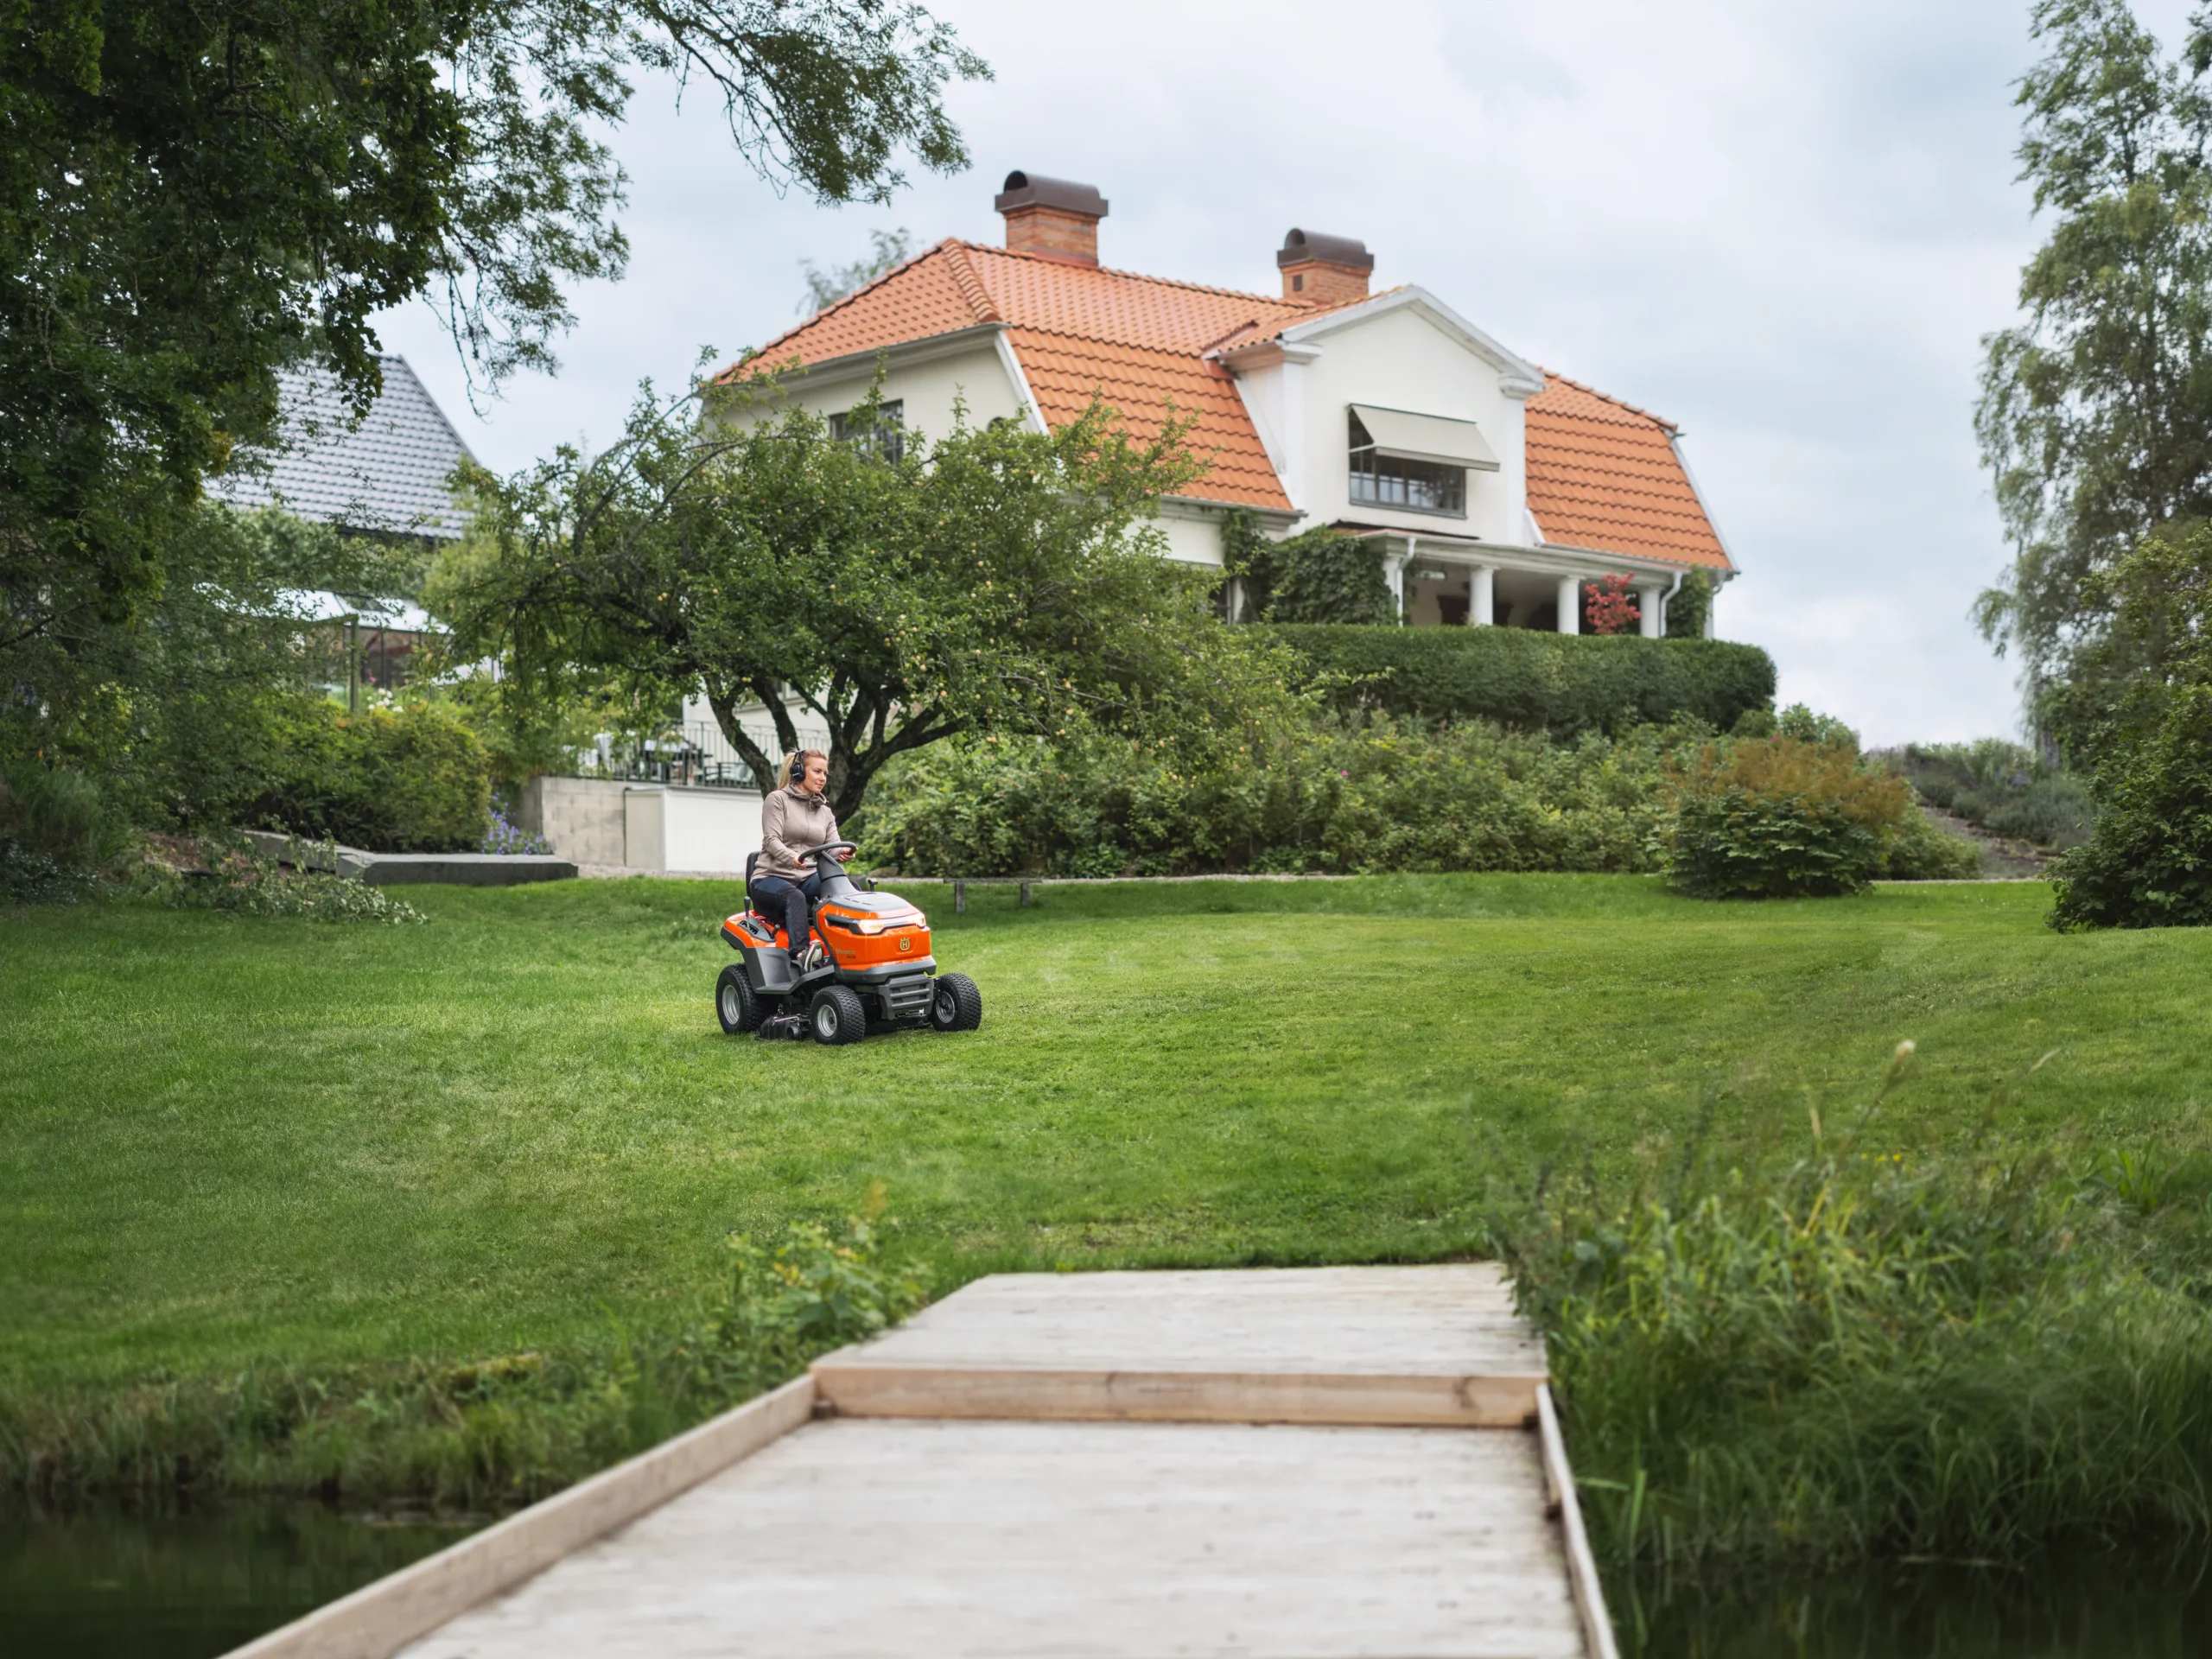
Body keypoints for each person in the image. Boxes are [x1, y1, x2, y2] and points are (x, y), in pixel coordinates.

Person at [752, 749, 839, 976]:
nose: (822, 778)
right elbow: (771, 840)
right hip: (770, 877)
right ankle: (802, 955)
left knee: (846, 888)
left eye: (825, 773)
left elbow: (833, 846)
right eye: (817, 771)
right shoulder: (777, 800)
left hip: (805, 877)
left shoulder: (825, 812)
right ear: (799, 772)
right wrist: (792, 858)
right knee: (794, 897)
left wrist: (843, 853)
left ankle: (847, 948)